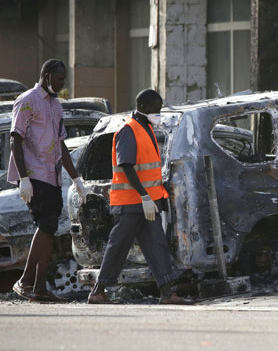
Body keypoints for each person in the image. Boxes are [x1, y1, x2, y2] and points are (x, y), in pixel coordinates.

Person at [88, 89, 191, 304]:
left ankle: (167, 292)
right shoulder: (128, 130)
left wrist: (151, 198)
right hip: (132, 203)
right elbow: (126, 166)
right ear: (142, 108)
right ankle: (98, 291)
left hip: (147, 203)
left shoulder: (146, 128)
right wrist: (144, 196)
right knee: (118, 246)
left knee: (157, 245)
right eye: (155, 109)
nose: (158, 113)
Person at [8, 59, 88, 302]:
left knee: (50, 229)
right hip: (34, 175)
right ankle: (25, 282)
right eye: (59, 79)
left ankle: (39, 288)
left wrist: (76, 178)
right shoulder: (28, 100)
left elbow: (61, 145)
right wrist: (23, 178)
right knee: (45, 225)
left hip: (52, 176)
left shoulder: (55, 106)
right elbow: (15, 139)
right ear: (47, 76)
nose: (62, 83)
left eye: (64, 79)